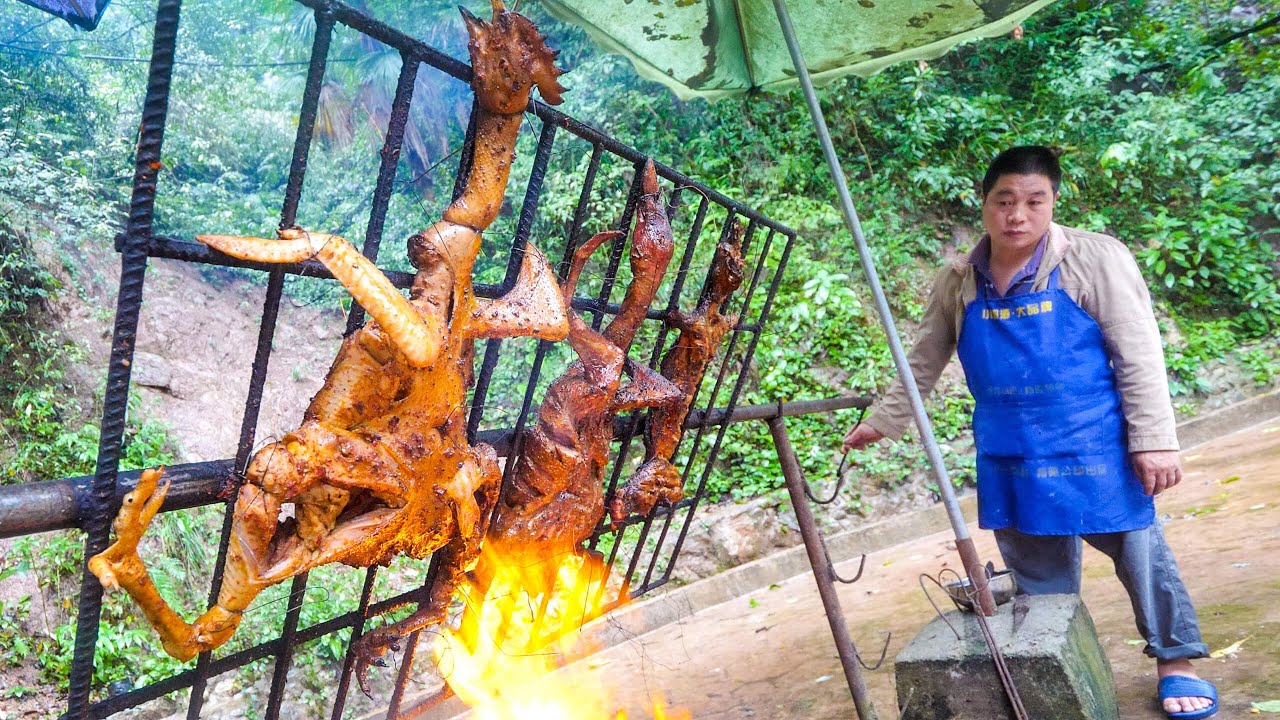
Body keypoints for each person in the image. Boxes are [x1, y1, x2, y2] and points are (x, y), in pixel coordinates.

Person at [843, 146, 1217, 719]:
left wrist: (1155, 439)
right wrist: (884, 420)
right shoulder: (958, 280)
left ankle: (1176, 660)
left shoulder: (1093, 259)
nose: (1017, 214)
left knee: (1141, 553)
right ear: (985, 203)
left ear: (1053, 203)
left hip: (1096, 442)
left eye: (1033, 201)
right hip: (1012, 450)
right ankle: (1061, 669)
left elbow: (1138, 353)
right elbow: (922, 359)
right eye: (1005, 201)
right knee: (1040, 583)